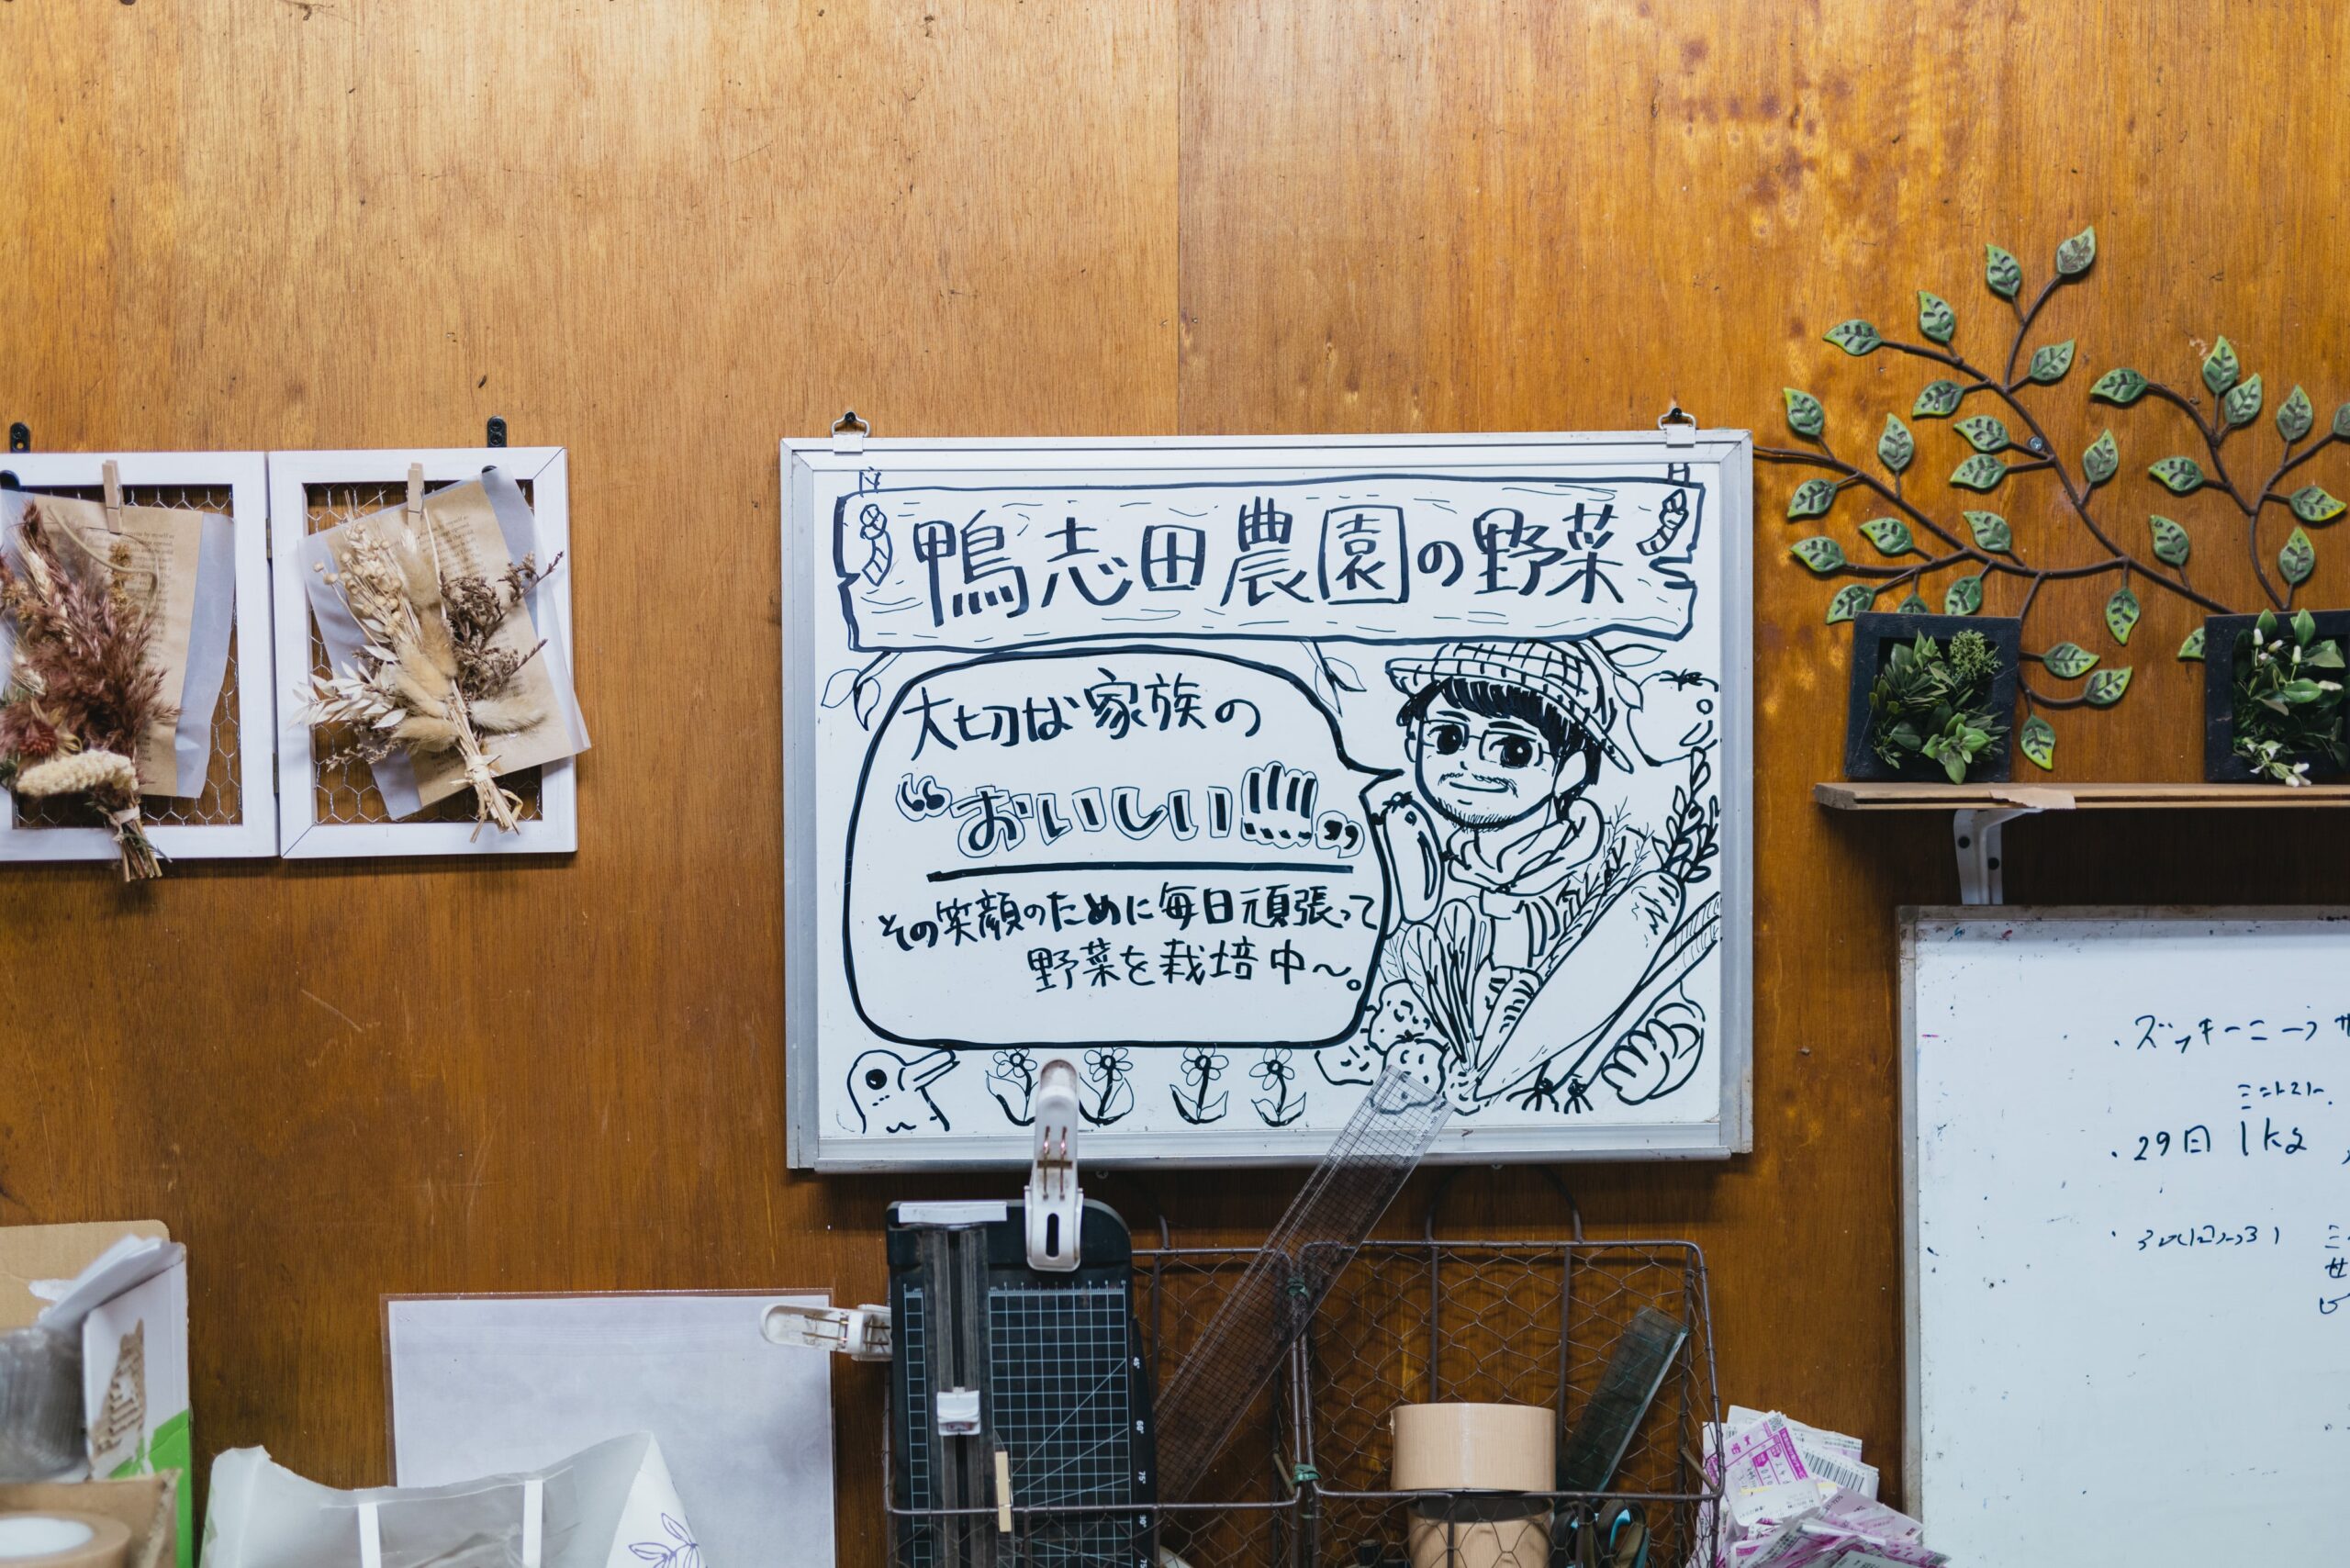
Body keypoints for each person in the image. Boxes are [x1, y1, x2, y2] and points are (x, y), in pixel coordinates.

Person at [1377, 639, 1689, 1101]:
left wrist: (1666, 1055)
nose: (1469, 766)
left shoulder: (1613, 876)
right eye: (1448, 739)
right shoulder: (1425, 871)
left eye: (1514, 750)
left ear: (1571, 769)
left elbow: (1670, 989)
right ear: (1414, 741)